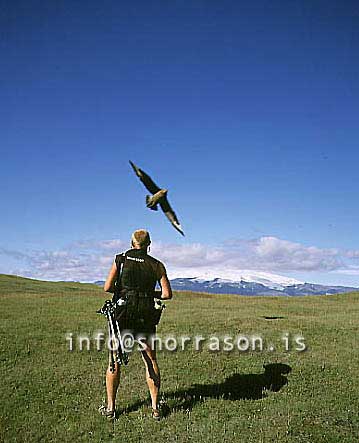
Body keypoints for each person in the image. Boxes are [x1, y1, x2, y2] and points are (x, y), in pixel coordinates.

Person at [99, 229, 173, 420]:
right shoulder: (156, 265)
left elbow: (107, 287)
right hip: (146, 316)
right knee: (150, 360)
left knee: (114, 361)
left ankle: (110, 408)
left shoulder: (121, 259)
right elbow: (166, 294)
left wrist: (124, 291)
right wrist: (148, 295)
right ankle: (156, 408)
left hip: (122, 316)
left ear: (132, 243)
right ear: (149, 245)